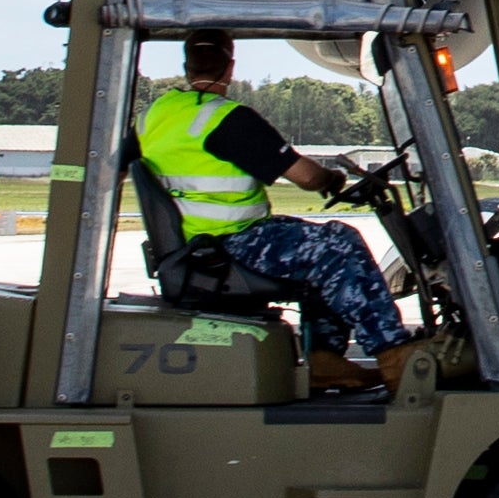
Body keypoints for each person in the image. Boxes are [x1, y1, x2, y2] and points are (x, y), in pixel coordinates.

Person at [135, 31, 412, 392]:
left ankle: (326, 361)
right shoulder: (227, 118)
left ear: (186, 65)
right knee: (339, 242)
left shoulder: (153, 116)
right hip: (231, 244)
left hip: (195, 245)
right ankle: (396, 355)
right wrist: (333, 177)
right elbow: (306, 177)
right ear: (230, 66)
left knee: (317, 247)